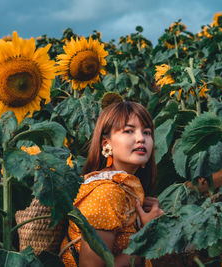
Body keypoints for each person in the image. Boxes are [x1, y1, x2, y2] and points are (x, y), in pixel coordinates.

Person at [59, 101, 165, 267]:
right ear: (106, 143)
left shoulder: (127, 189)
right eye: (129, 131)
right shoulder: (106, 193)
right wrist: (147, 234)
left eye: (147, 132)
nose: (141, 139)